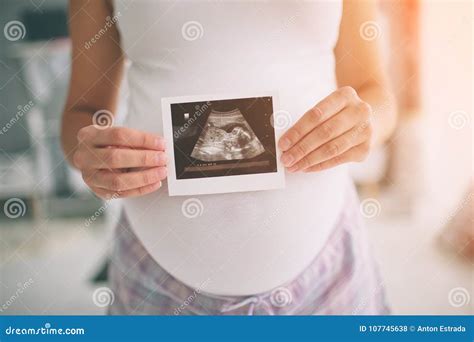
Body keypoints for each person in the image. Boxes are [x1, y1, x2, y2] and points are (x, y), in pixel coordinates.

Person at [61, 0, 397, 315]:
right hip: (156, 282)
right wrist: (88, 152)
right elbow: (82, 113)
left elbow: (374, 91)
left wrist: (368, 123)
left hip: (328, 271)